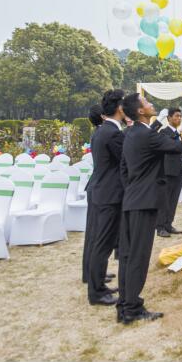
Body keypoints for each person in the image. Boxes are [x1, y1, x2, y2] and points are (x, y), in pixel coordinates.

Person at [117, 93, 182, 324]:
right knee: (139, 257)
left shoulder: (130, 133)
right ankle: (132, 308)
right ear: (140, 111)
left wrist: (134, 188)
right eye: (147, 103)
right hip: (144, 203)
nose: (151, 105)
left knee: (128, 255)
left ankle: (125, 302)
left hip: (131, 199)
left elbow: (124, 169)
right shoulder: (148, 135)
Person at [87, 90, 126, 307]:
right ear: (120, 108)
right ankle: (96, 292)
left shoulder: (103, 131)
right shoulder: (112, 133)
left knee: (102, 244)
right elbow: (125, 159)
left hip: (103, 191)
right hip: (110, 194)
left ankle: (99, 284)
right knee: (102, 245)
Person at [82, 104, 105, 285]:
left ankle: (91, 271)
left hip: (95, 185)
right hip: (99, 187)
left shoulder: (97, 132)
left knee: (93, 233)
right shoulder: (103, 133)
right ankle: (91, 273)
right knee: (94, 234)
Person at [156, 107, 182, 238]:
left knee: (173, 200)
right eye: (176, 116)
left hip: (177, 170)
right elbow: (168, 144)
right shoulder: (164, 132)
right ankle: (160, 226)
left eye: (180, 116)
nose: (179, 118)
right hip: (167, 171)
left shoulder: (177, 133)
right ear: (169, 118)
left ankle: (169, 224)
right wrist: (178, 131)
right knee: (165, 200)